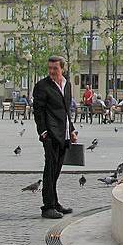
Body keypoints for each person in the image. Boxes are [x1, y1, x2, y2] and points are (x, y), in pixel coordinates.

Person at [33, 55, 78, 220]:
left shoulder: (67, 84)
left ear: (62, 69)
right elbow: (38, 111)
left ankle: (55, 202)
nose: (52, 71)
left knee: (57, 170)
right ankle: (48, 207)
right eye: (50, 68)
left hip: (64, 133)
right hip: (50, 134)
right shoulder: (42, 86)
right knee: (50, 170)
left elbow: (67, 111)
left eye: (55, 68)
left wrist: (71, 130)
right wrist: (43, 132)